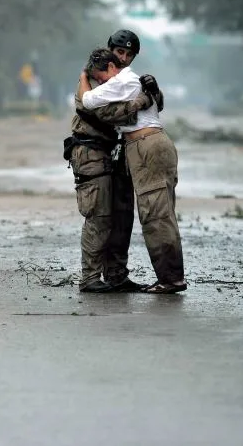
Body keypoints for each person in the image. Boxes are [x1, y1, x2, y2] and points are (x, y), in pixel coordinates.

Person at [77, 48, 187, 294]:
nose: (100, 83)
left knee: (156, 215)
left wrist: (84, 78)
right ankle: (164, 277)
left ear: (110, 68)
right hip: (143, 148)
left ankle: (171, 279)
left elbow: (89, 103)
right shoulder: (134, 82)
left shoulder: (121, 80)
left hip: (146, 146)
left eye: (100, 77)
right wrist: (146, 99)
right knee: (154, 213)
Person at [65, 37, 163, 294]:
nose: (123, 58)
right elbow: (95, 111)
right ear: (109, 54)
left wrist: (154, 91)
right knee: (98, 216)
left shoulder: (125, 79)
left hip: (117, 153)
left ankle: (117, 275)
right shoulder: (91, 77)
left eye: (129, 55)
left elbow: (154, 108)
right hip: (91, 151)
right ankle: (90, 278)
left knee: (121, 218)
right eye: (119, 52)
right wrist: (141, 101)